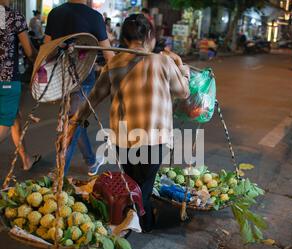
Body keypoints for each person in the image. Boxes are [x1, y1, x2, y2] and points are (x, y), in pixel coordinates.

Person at [66, 14, 190, 232]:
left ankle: (132, 221)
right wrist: (181, 66)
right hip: (153, 139)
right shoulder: (163, 61)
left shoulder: (114, 63)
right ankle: (136, 225)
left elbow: (93, 98)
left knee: (133, 183)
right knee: (141, 189)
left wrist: (75, 121)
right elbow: (184, 91)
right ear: (150, 36)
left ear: (124, 38)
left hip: (123, 139)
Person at [44, 0, 114, 176]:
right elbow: (110, 58)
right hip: (83, 79)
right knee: (73, 124)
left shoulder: (55, 13)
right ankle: (59, 175)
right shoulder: (95, 17)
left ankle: (91, 161)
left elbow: (46, 50)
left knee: (73, 120)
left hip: (60, 78)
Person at [0, 0, 41, 171]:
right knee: (6, 123)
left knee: (14, 117)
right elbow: (29, 51)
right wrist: (41, 62)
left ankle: (26, 159)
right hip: (7, 79)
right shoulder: (13, 17)